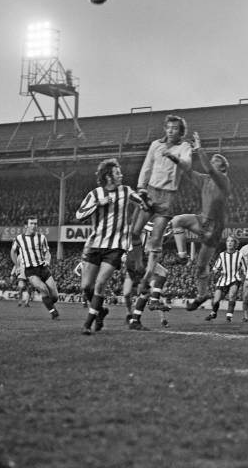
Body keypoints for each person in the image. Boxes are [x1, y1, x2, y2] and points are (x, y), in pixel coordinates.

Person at [75, 158, 149, 335]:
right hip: (94, 245)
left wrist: (145, 200)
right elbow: (79, 215)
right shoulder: (94, 194)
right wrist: (97, 204)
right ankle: (101, 312)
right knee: (86, 287)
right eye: (117, 173)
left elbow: (140, 202)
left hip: (116, 247)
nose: (121, 175)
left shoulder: (126, 190)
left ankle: (88, 324)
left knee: (100, 283)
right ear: (108, 177)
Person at [171, 131, 231, 313]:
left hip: (214, 227)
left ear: (222, 168)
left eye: (215, 162)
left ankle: (202, 295)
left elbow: (209, 169)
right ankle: (182, 256)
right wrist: (175, 158)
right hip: (201, 220)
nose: (211, 164)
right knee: (177, 220)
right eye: (211, 161)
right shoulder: (205, 180)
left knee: (201, 266)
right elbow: (188, 170)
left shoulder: (223, 181)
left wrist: (199, 148)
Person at [128, 114, 192, 285]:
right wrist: (141, 187)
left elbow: (187, 165)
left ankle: (147, 275)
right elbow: (147, 166)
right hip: (150, 193)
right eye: (169, 127)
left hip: (168, 196)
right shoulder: (156, 145)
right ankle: (139, 264)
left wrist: (173, 157)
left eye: (175, 128)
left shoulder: (184, 146)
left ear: (181, 131)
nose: (171, 131)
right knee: (134, 232)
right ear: (165, 128)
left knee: (155, 240)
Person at [10, 217, 59, 320]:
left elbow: (47, 252)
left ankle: (49, 303)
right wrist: (18, 266)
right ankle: (53, 312)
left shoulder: (42, 237)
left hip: (43, 269)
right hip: (30, 271)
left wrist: (47, 260)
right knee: (43, 288)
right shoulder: (19, 238)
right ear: (26, 226)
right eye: (31, 223)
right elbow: (13, 252)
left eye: (35, 223)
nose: (34, 225)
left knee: (55, 296)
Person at [127, 220, 171, 330]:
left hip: (131, 259)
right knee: (163, 272)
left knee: (145, 293)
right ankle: (154, 301)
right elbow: (158, 233)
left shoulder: (143, 224)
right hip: (140, 258)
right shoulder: (153, 226)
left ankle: (135, 321)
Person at [204, 235, 248, 323]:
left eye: (232, 241)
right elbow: (216, 268)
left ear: (235, 244)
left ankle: (229, 316)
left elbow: (245, 269)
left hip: (235, 279)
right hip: (223, 280)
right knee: (216, 300)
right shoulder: (222, 255)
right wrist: (216, 271)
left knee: (232, 295)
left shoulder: (239, 255)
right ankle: (213, 313)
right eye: (228, 241)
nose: (229, 243)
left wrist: (246, 278)